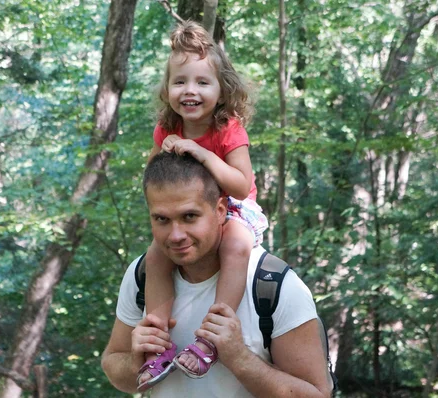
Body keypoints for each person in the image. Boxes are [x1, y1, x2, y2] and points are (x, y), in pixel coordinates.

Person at [101, 152, 333, 397]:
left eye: (189, 216)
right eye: (162, 219)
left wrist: (239, 357)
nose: (176, 234)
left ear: (221, 210)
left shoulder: (273, 284)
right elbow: (114, 366)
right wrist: (135, 362)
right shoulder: (142, 275)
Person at [141, 20, 268, 389]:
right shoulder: (166, 128)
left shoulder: (228, 129)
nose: (189, 91)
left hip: (235, 209)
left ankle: (213, 335)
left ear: (221, 89)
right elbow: (152, 176)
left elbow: (242, 186)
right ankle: (158, 340)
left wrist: (201, 153)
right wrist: (158, 160)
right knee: (155, 256)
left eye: (201, 82)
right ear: (167, 90)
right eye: (180, 82)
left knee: (236, 244)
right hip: (190, 214)